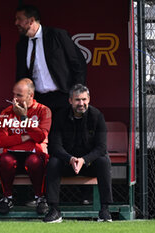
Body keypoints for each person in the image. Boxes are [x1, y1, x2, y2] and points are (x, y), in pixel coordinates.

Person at [44, 84, 113, 223]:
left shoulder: (97, 116)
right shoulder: (60, 116)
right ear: (70, 101)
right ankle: (54, 210)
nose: (81, 103)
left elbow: (101, 147)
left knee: (104, 161)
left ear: (89, 99)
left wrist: (84, 160)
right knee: (53, 162)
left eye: (84, 99)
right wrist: (70, 159)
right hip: (67, 163)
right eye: (77, 100)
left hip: (89, 164)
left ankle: (105, 210)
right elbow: (55, 146)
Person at [15, 4, 87, 116]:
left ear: (31, 21)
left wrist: (76, 93)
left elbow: (78, 63)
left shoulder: (57, 35)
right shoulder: (21, 45)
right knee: (42, 133)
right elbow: (21, 75)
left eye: (19, 19)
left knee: (63, 133)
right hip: (38, 101)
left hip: (63, 97)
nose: (16, 23)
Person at [0, 78, 51, 215]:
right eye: (14, 94)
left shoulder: (43, 111)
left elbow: (40, 137)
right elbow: (1, 141)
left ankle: (40, 198)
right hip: (12, 155)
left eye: (19, 95)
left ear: (30, 96)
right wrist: (25, 137)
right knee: (5, 160)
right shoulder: (6, 112)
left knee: (34, 161)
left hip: (34, 155)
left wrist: (23, 118)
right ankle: (7, 198)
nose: (14, 98)